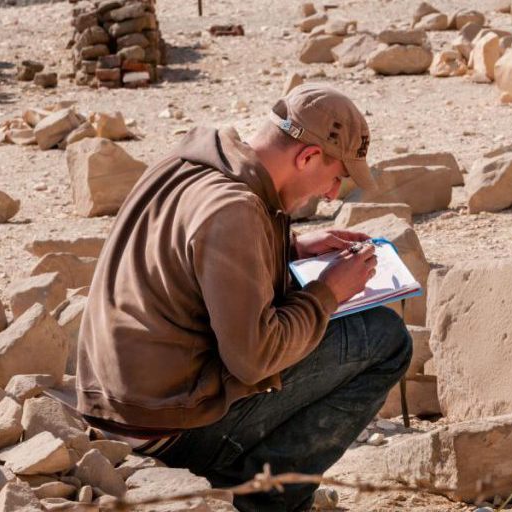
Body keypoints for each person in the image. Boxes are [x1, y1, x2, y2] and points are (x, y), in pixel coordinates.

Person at [76, 84, 412, 511]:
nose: (330, 194)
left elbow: (190, 255)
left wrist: (290, 246)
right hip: (163, 429)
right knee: (386, 339)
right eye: (335, 178)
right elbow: (254, 359)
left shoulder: (188, 164)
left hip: (115, 405)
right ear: (307, 157)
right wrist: (328, 293)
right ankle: (266, 500)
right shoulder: (235, 211)